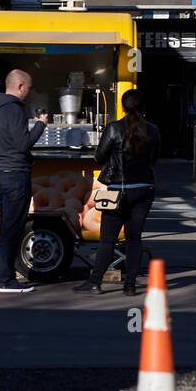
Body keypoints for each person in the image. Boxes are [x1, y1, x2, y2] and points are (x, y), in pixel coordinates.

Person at [77, 89, 160, 296]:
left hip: (117, 192)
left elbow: (99, 156)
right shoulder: (153, 130)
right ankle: (130, 285)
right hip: (144, 189)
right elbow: (155, 158)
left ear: (123, 107)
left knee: (108, 240)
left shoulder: (114, 128)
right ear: (143, 107)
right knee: (134, 239)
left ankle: (95, 282)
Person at [0, 70, 49, 293]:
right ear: (20, 86)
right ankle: (5, 280)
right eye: (28, 89)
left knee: (5, 227)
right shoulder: (14, 109)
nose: (28, 93)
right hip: (15, 175)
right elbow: (23, 144)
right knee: (11, 229)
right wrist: (40, 125)